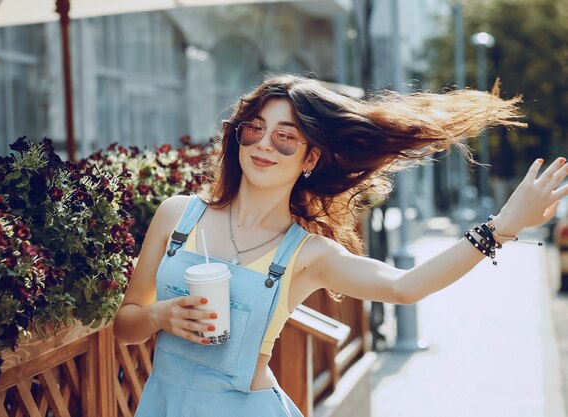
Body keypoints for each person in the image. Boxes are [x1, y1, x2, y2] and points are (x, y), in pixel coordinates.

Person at [113, 74, 568, 417]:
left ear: (311, 158)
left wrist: (502, 227)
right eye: (254, 128)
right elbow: (126, 324)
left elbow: (405, 287)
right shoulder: (178, 215)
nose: (264, 144)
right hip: (162, 403)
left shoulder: (307, 254)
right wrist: (159, 316)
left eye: (286, 136)